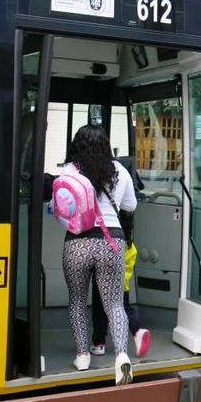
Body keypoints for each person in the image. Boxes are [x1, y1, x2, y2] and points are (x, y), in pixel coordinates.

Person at [61, 124, 137, 385]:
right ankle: (122, 357)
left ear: (77, 145)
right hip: (111, 242)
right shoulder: (120, 170)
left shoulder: (70, 170)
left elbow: (60, 208)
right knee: (115, 304)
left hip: (78, 242)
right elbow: (130, 205)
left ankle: (82, 356)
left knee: (77, 301)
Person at [89, 210, 152, 358]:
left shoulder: (108, 242)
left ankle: (99, 343)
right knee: (124, 308)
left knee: (100, 309)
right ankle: (138, 330)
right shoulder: (130, 246)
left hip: (104, 282)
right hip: (123, 285)